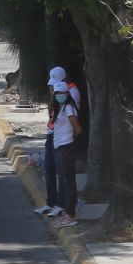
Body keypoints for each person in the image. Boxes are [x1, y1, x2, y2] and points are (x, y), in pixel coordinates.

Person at [45, 77, 82, 226]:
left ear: (67, 94)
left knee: (69, 182)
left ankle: (71, 215)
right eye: (56, 93)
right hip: (59, 146)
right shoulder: (59, 108)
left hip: (66, 147)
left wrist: (69, 138)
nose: (59, 95)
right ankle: (67, 213)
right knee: (64, 181)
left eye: (61, 93)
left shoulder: (68, 108)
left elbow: (78, 129)